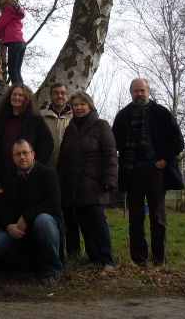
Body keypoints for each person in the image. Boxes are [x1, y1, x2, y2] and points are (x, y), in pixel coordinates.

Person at [112, 78, 185, 266]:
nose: (139, 94)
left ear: (149, 91)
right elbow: (114, 144)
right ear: (130, 92)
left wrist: (163, 162)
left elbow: (177, 141)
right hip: (132, 173)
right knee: (135, 218)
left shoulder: (161, 113)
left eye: (142, 90)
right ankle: (139, 261)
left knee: (158, 217)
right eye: (136, 91)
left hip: (156, 171)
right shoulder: (123, 116)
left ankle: (160, 261)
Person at [56, 91, 118, 273]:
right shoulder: (71, 128)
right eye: (75, 105)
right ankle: (94, 258)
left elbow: (111, 155)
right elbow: (63, 159)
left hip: (96, 184)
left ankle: (108, 260)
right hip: (75, 185)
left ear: (90, 106)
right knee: (84, 223)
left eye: (82, 104)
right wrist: (61, 181)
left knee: (98, 221)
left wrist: (109, 180)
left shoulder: (101, 126)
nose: (79, 108)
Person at [0, 139, 65, 287]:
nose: (22, 157)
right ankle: (32, 263)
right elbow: (4, 208)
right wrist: (8, 225)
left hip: (43, 226)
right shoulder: (10, 180)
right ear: (13, 158)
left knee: (43, 220)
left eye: (25, 153)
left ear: (33, 154)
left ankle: (53, 270)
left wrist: (27, 216)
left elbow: (53, 204)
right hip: (19, 230)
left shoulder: (48, 175)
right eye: (18, 154)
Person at [39, 82, 79, 255]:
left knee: (71, 211)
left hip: (70, 172)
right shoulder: (41, 116)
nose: (60, 96)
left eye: (63, 93)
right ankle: (54, 248)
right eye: (56, 93)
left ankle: (74, 249)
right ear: (51, 96)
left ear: (67, 96)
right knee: (51, 211)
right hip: (48, 171)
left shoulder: (76, 116)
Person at [0, 83, 53, 183]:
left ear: (26, 99)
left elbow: (47, 143)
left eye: (21, 95)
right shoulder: (2, 120)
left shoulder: (36, 120)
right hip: (3, 173)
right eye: (14, 95)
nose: (17, 97)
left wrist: (35, 166)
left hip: (27, 175)